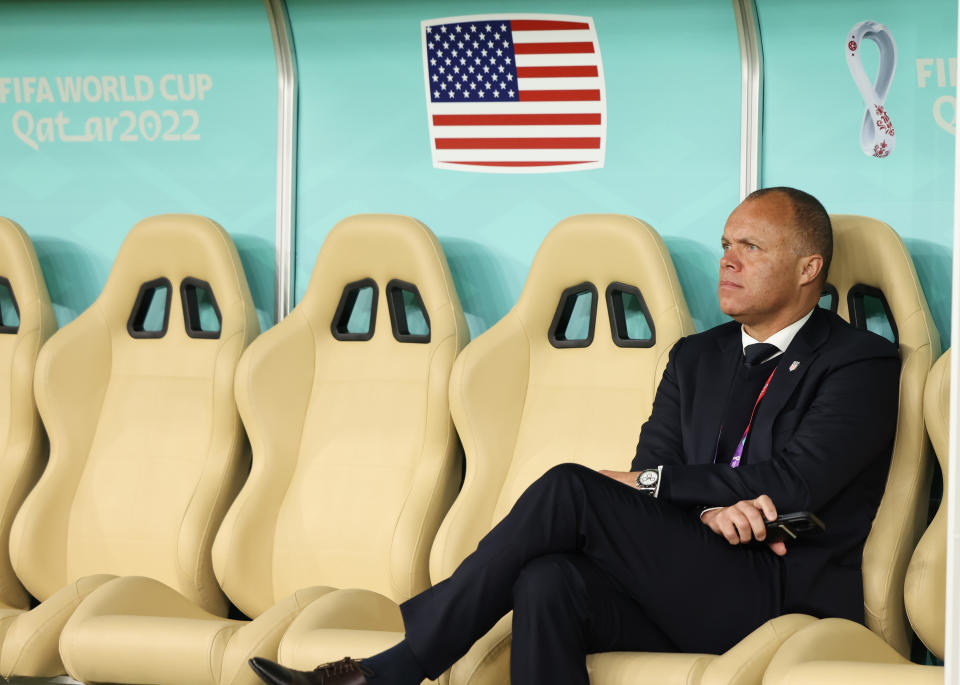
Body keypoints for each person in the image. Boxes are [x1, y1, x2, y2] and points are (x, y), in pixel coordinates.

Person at [249, 187, 900, 685]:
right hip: (690, 566)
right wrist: (703, 502)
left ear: (809, 266)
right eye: (726, 244)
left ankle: (396, 667)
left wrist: (666, 486)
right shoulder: (696, 356)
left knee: (570, 486)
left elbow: (795, 481)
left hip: (777, 590)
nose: (727, 261)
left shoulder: (859, 362)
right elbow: (658, 465)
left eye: (750, 248)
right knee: (548, 579)